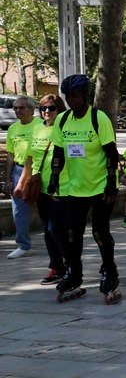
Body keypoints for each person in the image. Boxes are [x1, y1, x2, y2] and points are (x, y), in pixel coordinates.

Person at [48, 74, 121, 301]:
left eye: (76, 96)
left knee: (99, 231)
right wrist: (54, 178)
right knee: (71, 233)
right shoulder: (62, 120)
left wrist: (111, 183)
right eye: (68, 97)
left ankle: (109, 271)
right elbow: (58, 153)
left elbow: (111, 154)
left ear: (85, 96)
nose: (72, 101)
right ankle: (74, 273)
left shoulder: (98, 119)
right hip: (74, 187)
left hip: (100, 186)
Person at [20, 95, 66, 283]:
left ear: (59, 110)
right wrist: (22, 182)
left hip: (61, 187)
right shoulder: (37, 128)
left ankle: (69, 265)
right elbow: (30, 158)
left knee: (57, 228)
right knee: (47, 229)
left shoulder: (64, 128)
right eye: (43, 108)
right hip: (41, 187)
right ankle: (56, 267)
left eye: (52, 108)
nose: (47, 111)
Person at [7, 96, 38, 259]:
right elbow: (10, 154)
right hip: (19, 170)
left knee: (47, 208)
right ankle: (23, 245)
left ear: (31, 109)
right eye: (16, 108)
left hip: (39, 170)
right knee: (18, 210)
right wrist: (8, 177)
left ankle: (58, 241)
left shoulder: (40, 125)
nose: (18, 111)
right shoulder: (13, 128)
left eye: (22, 107)